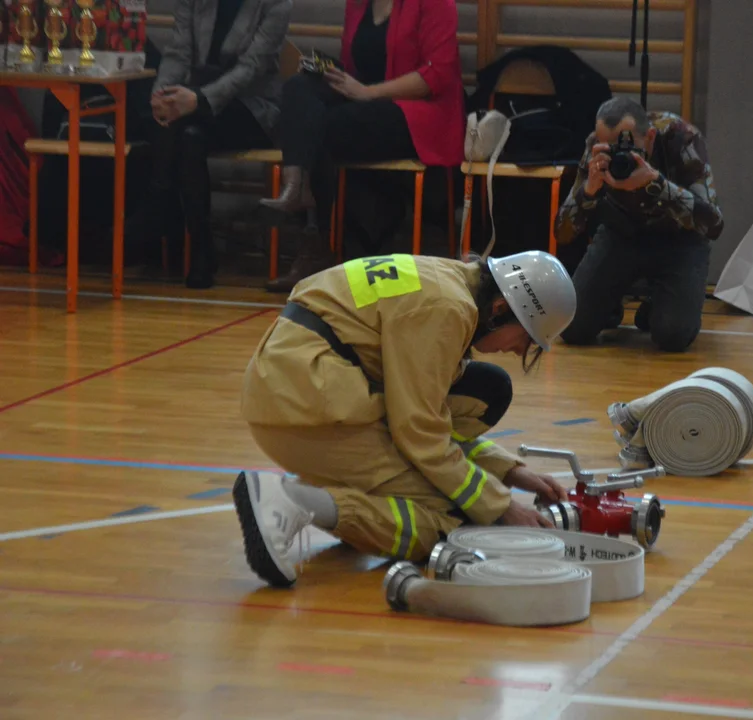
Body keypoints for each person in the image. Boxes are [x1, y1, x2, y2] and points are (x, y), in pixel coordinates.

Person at [233, 250, 578, 588]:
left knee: (489, 392)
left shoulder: (448, 283)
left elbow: (431, 418)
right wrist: (500, 507)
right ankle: (294, 502)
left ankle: (345, 499)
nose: (519, 351)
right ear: (500, 310)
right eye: (526, 338)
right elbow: (421, 432)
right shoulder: (447, 310)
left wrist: (511, 471)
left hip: (297, 384)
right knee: (454, 520)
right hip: (306, 407)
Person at [258, 0, 466, 293]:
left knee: (324, 126)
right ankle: (297, 187)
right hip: (366, 106)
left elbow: (437, 74)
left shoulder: (435, 3)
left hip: (419, 113)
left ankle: (315, 239)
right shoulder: (358, 5)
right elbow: (356, 68)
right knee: (299, 88)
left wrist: (369, 92)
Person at [131, 0, 292, 288]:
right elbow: (178, 54)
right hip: (195, 103)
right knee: (189, 136)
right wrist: (160, 96)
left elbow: (251, 67)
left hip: (252, 105)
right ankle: (202, 248)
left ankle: (159, 200)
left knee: (184, 129)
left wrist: (200, 99)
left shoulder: (276, 3)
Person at [555, 97, 725, 353]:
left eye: (627, 148)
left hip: (680, 243)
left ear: (651, 137)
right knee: (572, 328)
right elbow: (563, 232)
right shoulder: (595, 147)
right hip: (621, 237)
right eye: (610, 149)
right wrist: (588, 191)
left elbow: (713, 224)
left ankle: (659, 304)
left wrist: (658, 184)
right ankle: (609, 304)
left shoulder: (682, 138)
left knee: (673, 336)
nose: (618, 158)